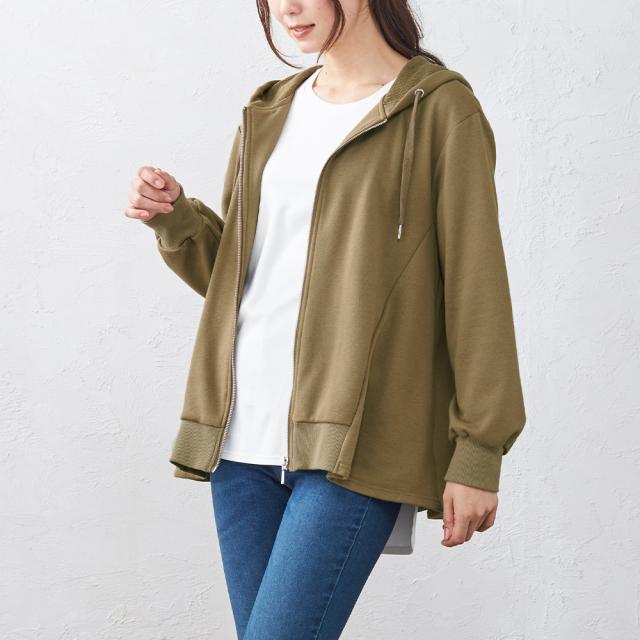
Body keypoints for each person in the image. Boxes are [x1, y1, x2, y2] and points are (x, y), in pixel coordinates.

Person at [124, 1, 527, 637]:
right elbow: (240, 282)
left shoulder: (439, 111)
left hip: (352, 439)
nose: (287, 8)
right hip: (240, 437)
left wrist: (479, 449)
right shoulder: (269, 110)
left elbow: (476, 288)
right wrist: (178, 221)